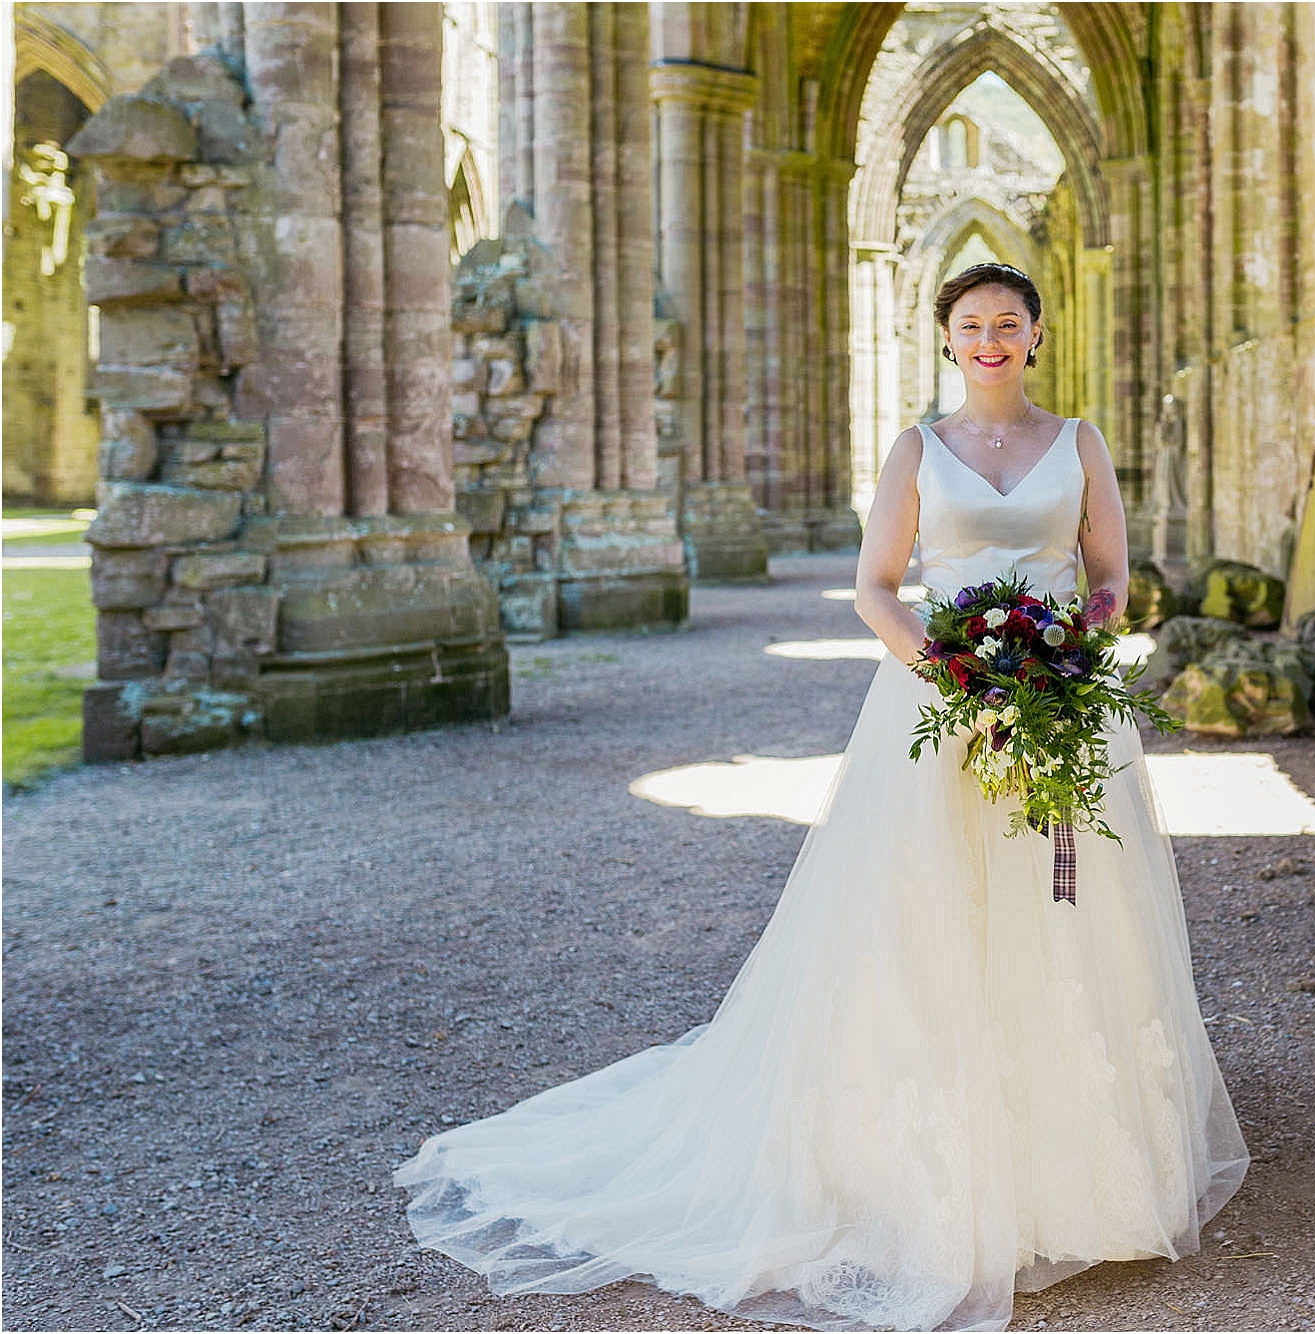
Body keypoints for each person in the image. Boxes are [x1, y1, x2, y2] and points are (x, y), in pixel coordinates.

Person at [394, 262, 1248, 1332]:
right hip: (934, 711)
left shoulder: (1077, 442)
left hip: (1061, 704)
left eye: (1007, 322)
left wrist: (1071, 644)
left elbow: (1112, 574)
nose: (989, 338)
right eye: (970, 324)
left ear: (1036, 334)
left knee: (1069, 915)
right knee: (926, 917)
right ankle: (921, 1169)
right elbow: (874, 587)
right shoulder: (916, 451)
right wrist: (953, 674)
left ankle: (1080, 1163)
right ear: (948, 341)